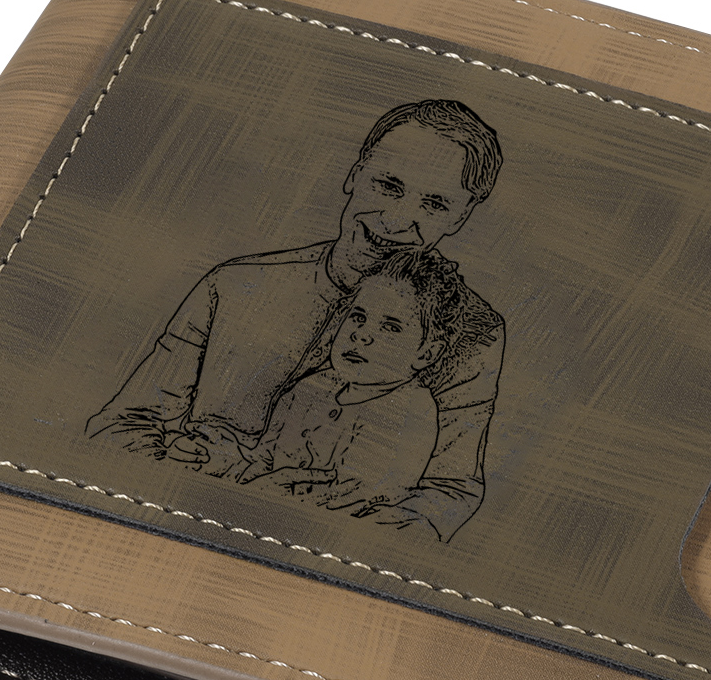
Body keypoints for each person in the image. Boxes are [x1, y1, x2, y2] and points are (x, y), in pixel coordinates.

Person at [86, 99, 504, 540]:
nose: (398, 220)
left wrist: (330, 528)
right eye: (388, 185)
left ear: (461, 216)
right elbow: (123, 423)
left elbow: (447, 493)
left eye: (434, 204)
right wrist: (178, 475)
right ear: (355, 174)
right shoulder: (234, 283)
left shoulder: (475, 334)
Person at [233, 250, 463, 524]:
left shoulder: (412, 413)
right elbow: (262, 457)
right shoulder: (308, 388)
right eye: (358, 317)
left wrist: (265, 496)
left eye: (390, 327)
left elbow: (352, 502)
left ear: (427, 353)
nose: (361, 334)